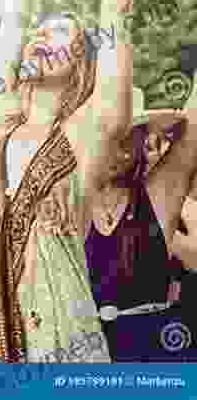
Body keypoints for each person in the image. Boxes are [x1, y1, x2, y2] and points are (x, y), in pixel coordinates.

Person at [0, 0, 142, 362]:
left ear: (80, 63)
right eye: (40, 30)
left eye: (59, 32)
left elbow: (116, 14)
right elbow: (13, 20)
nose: (40, 35)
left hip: (56, 335)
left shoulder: (86, 132)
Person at [85, 77, 197, 361]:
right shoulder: (67, 202)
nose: (121, 151)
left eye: (130, 138)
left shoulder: (156, 197)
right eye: (113, 138)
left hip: (160, 357)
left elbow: (192, 134)